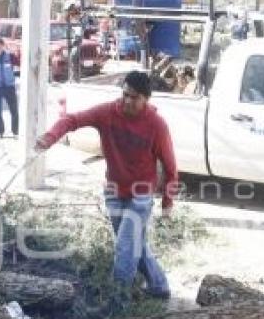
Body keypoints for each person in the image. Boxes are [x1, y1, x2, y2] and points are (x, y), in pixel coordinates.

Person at [35, 71, 178, 302]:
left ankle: (117, 301)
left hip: (141, 195)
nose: (127, 101)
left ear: (146, 99)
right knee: (134, 244)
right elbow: (72, 120)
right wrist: (50, 137)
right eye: (125, 94)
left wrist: (167, 203)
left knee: (125, 248)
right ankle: (159, 286)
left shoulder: (156, 125)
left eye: (134, 97)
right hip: (114, 191)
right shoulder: (107, 113)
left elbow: (170, 166)